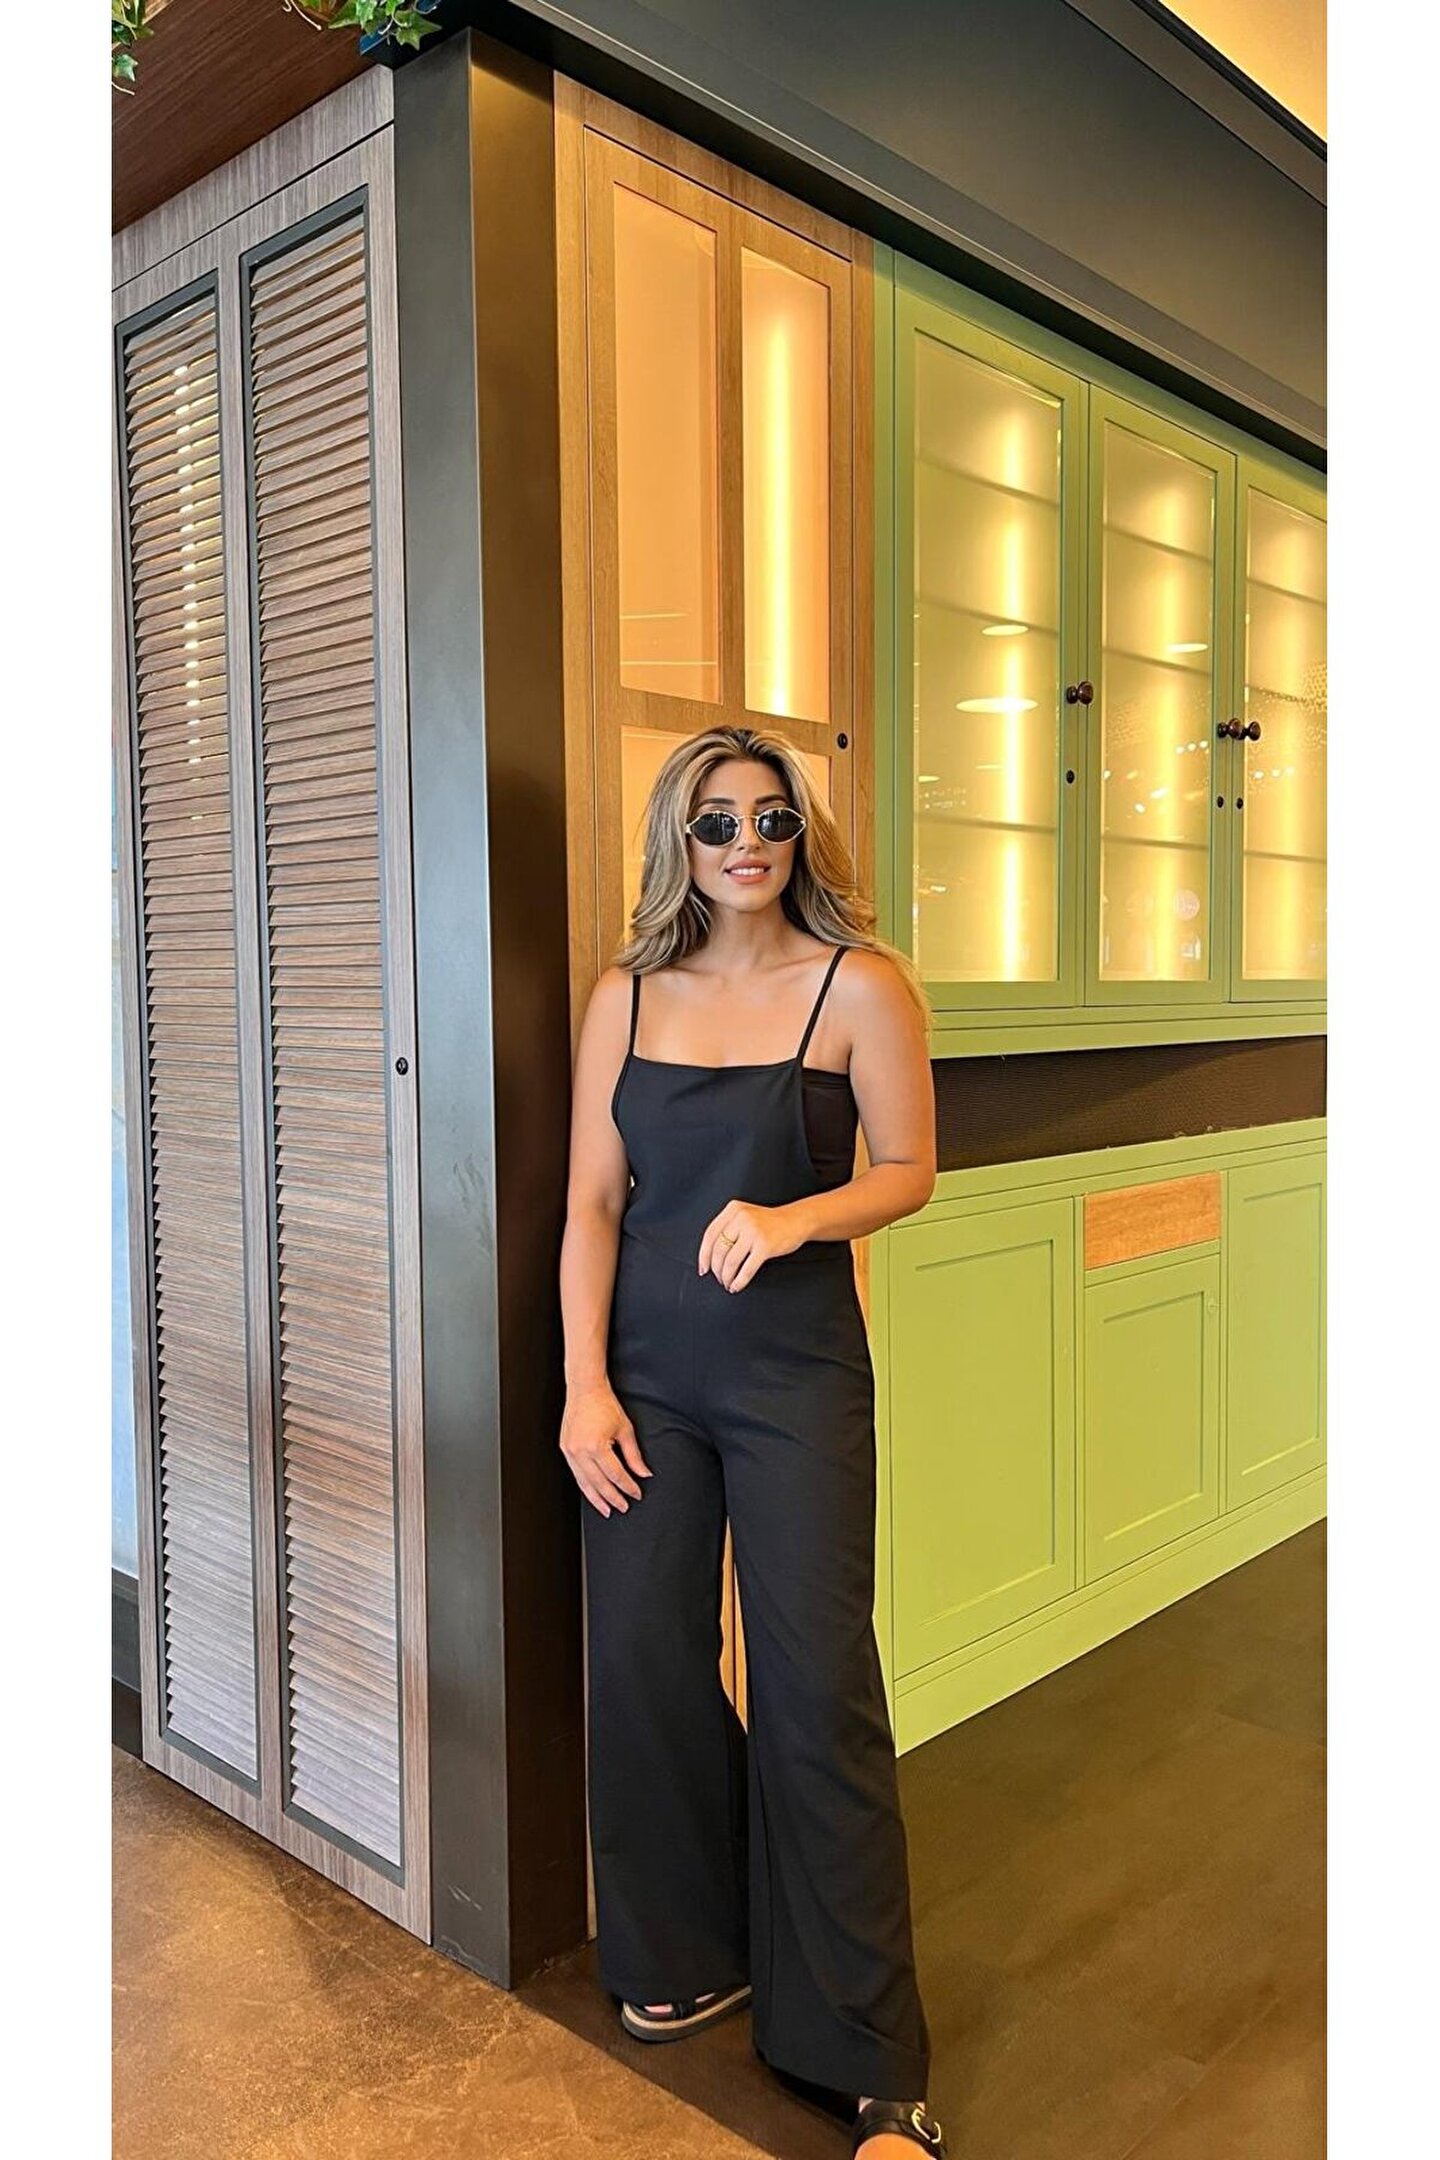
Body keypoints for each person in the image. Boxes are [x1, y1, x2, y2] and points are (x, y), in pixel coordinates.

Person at [559, 724, 948, 2160]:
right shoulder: (625, 994)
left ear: (799, 836)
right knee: (642, 1658)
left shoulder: (860, 985)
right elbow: (593, 1204)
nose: (746, 844)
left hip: (796, 1375)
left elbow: (910, 1168)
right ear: (681, 837)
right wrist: (583, 1387)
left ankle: (872, 2060)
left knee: (815, 1685)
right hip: (643, 1379)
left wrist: (794, 1219)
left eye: (771, 820)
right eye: (717, 821)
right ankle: (693, 1941)